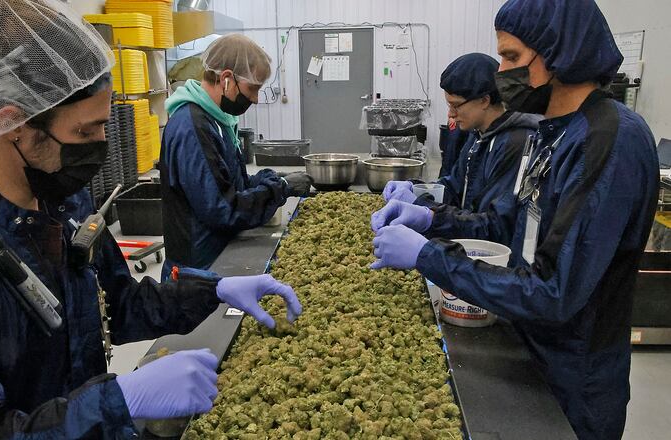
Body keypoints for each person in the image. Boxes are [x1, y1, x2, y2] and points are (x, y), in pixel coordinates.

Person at [0, 1, 302, 438]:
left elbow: (119, 305)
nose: (100, 146)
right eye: (85, 132)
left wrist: (213, 290)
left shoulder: (65, 207)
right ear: (13, 123)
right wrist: (118, 402)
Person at [370, 1, 659, 439]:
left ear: (559, 53)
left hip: (572, 373)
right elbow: (504, 225)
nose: (502, 72)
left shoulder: (607, 141)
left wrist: (430, 258)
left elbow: (554, 292)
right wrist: (428, 217)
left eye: (512, 57)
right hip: (525, 340)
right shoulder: (550, 133)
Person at [160, 34, 313, 280]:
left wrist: (273, 178)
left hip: (219, 253)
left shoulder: (218, 120)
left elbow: (233, 184)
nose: (254, 98)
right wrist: (279, 189)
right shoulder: (192, 128)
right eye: (252, 88)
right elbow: (222, 209)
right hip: (197, 270)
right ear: (226, 79)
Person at [384, 53, 540, 211]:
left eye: (456, 105)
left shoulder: (515, 143)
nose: (450, 114)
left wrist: (431, 216)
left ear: (484, 101)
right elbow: (454, 188)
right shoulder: (478, 135)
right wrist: (415, 189)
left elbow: (495, 225)